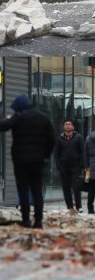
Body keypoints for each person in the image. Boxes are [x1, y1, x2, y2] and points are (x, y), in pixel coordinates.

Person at [0, 95, 56, 228]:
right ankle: (38, 221)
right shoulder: (43, 118)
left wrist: (7, 118)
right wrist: (46, 156)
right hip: (38, 160)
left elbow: (2, 127)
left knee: (23, 190)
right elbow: (52, 139)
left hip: (20, 159)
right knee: (37, 190)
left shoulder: (18, 117)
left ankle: (26, 220)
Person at [54, 119, 84, 213]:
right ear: (63, 127)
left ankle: (79, 207)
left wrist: (82, 164)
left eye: (69, 124)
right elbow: (56, 153)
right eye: (66, 124)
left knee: (76, 187)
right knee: (66, 187)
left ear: (73, 127)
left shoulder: (78, 137)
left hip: (76, 166)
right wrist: (58, 165)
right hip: (63, 167)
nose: (67, 126)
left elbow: (82, 152)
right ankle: (69, 207)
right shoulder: (59, 138)